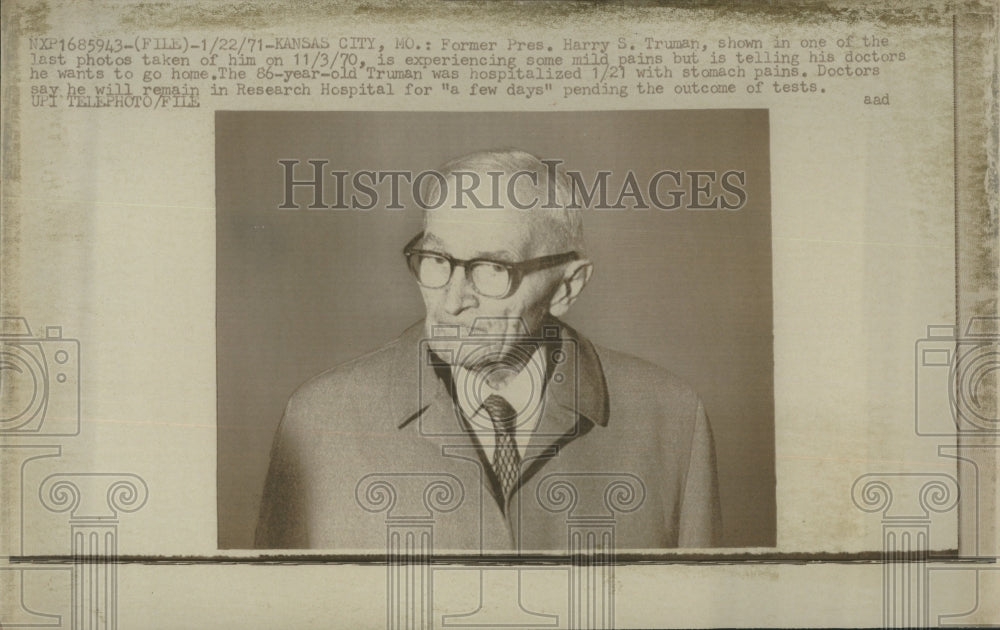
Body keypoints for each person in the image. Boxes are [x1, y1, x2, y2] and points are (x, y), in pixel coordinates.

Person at [255, 149, 722, 551]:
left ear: (567, 287)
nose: (453, 301)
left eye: (492, 269)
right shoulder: (318, 420)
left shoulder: (672, 419)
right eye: (437, 260)